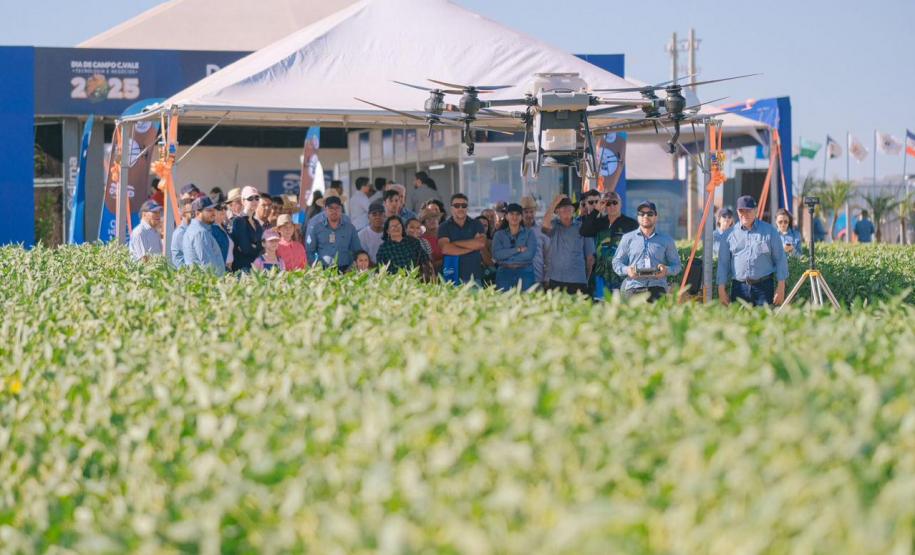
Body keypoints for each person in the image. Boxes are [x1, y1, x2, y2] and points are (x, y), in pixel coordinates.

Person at [717, 195, 789, 307]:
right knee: (738, 319)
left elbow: (780, 259)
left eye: (748, 211)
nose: (745, 214)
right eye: (741, 211)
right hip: (739, 288)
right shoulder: (728, 235)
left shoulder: (770, 231)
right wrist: (721, 289)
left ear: (756, 211)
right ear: (737, 212)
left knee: (764, 319)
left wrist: (781, 287)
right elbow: (723, 264)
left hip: (764, 288)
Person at [612, 201, 682, 302]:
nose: (645, 216)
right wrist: (627, 270)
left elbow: (677, 265)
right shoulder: (627, 238)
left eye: (650, 213)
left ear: (656, 217)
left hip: (657, 288)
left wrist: (666, 270)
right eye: (642, 213)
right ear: (637, 216)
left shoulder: (667, 240)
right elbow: (616, 262)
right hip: (633, 287)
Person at [579, 190, 638, 295]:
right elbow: (584, 231)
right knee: (600, 303)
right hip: (601, 274)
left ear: (620, 203)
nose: (612, 206)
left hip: (622, 275)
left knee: (620, 303)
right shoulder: (599, 222)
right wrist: (596, 210)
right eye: (608, 203)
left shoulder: (631, 224)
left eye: (615, 202)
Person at [542, 195, 595, 295]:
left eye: (569, 208)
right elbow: (544, 224)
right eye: (563, 209)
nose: (566, 211)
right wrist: (554, 203)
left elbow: (590, 258)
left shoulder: (583, 227)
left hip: (578, 281)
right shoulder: (554, 225)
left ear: (573, 210)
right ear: (557, 212)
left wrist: (586, 279)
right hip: (556, 280)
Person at [438, 193, 486, 284]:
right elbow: (445, 249)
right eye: (456, 205)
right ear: (451, 208)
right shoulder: (444, 226)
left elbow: (481, 244)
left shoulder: (476, 224)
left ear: (467, 208)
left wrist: (454, 243)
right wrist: (472, 247)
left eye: (463, 205)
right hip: (451, 276)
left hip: (473, 276)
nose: (460, 208)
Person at [305, 196, 361, 271]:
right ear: (325, 209)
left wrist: (351, 268)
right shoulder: (317, 228)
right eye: (331, 208)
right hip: (323, 270)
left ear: (341, 209)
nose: (334, 211)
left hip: (346, 270)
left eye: (337, 208)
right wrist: (316, 268)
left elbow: (357, 251)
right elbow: (310, 251)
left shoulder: (350, 228)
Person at [492, 203, 538, 291]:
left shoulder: (529, 233)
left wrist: (506, 255)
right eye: (511, 214)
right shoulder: (499, 235)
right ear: (506, 217)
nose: (514, 217)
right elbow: (497, 255)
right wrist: (517, 249)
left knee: (526, 299)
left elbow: (529, 255)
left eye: (517, 214)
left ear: (521, 217)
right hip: (504, 273)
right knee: (504, 299)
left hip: (525, 272)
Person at [182, 196, 225, 276]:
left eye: (213, 209)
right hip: (209, 281)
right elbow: (209, 266)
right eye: (209, 210)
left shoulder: (194, 229)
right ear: (197, 213)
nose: (213, 213)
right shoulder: (200, 232)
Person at [228, 185, 264, 272]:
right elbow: (246, 249)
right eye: (250, 198)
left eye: (257, 198)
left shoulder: (257, 223)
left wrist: (255, 246)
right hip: (242, 269)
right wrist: (257, 247)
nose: (254, 201)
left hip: (256, 269)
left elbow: (261, 248)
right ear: (243, 201)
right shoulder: (238, 221)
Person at [521, 195, 550, 288]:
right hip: (519, 280)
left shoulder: (542, 230)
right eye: (526, 212)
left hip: (538, 279)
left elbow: (548, 256)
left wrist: (547, 278)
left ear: (535, 212)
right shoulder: (515, 231)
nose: (529, 215)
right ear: (521, 213)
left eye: (531, 212)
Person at [210, 203, 234, 270]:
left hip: (229, 267)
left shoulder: (224, 227)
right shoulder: (212, 229)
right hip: (221, 267)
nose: (223, 210)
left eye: (225, 208)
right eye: (219, 208)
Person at [170, 201, 193, 268]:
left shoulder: (192, 230)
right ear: (182, 213)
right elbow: (192, 254)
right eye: (191, 212)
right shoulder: (181, 233)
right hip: (185, 272)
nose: (194, 214)